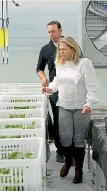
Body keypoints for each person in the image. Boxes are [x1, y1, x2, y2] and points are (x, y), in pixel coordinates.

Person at [41, 37, 99, 184]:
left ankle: (78, 172)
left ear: (73, 49)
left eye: (64, 49)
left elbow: (93, 87)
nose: (61, 52)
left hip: (81, 107)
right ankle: (68, 163)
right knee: (65, 138)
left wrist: (89, 103)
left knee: (79, 140)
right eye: (60, 50)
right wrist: (50, 88)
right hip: (64, 105)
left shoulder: (85, 64)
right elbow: (56, 82)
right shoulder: (60, 63)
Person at [36, 20, 64, 163]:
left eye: (53, 31)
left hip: (71, 88)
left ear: (60, 30)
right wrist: (43, 77)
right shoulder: (46, 49)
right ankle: (60, 150)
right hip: (54, 89)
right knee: (59, 118)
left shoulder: (70, 45)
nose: (51, 34)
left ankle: (70, 149)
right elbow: (39, 68)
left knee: (69, 120)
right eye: (49, 32)